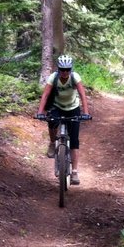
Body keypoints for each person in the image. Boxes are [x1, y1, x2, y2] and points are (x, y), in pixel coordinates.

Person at [37, 55, 91, 185]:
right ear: (58, 68)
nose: (65, 72)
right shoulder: (53, 78)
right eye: (62, 69)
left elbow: (82, 95)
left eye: (67, 69)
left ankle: (75, 172)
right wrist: (40, 112)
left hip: (73, 108)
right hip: (57, 106)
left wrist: (86, 112)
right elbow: (45, 95)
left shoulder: (74, 77)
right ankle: (51, 142)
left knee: (74, 140)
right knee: (51, 122)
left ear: (71, 69)